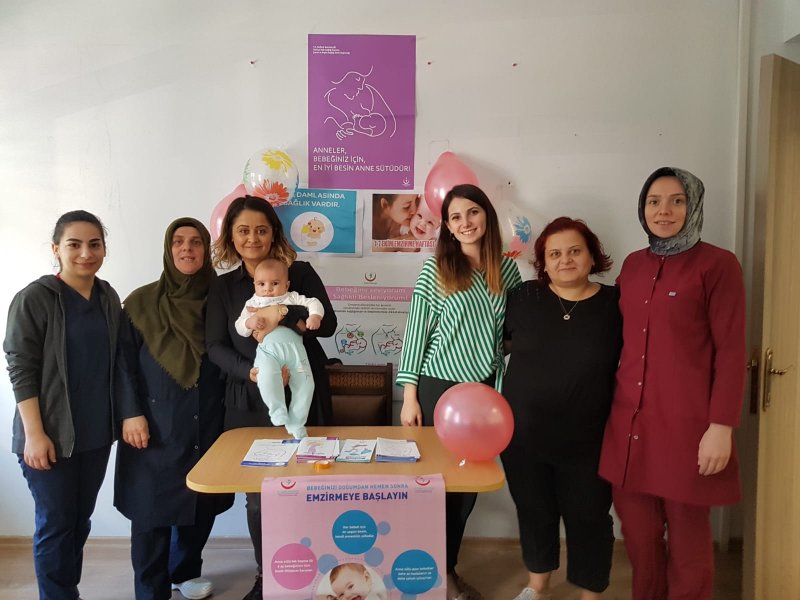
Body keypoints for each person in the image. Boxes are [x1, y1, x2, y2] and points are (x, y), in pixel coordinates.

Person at [599, 167, 746, 599]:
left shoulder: (718, 265)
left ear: (693, 205)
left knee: (688, 545)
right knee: (640, 539)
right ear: (642, 208)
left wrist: (721, 427)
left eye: (677, 200)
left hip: (689, 430)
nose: (664, 210)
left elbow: (732, 351)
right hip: (630, 428)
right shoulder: (633, 265)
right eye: (654, 201)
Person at [206, 195, 337, 600]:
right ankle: (268, 577)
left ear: (274, 233)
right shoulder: (222, 286)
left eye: (261, 230)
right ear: (231, 236)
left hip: (303, 392)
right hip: (250, 401)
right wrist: (252, 371)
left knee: (311, 484)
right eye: (243, 230)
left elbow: (328, 324)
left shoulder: (300, 273)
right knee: (259, 497)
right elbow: (215, 345)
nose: (252, 238)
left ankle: (318, 574)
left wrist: (282, 314)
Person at [397, 183, 522, 600]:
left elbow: (511, 334)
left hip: (485, 397)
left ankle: (445, 570)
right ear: (447, 227)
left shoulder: (507, 271)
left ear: (486, 216)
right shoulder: (436, 270)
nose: (465, 222)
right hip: (438, 391)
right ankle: (432, 576)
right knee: (433, 489)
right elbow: (416, 335)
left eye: (472, 212)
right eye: (455, 217)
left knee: (466, 494)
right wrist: (410, 397)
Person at [4, 210, 122, 600]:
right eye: (74, 244)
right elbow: (21, 368)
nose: (86, 253)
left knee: (78, 521)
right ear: (56, 249)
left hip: (95, 435)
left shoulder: (107, 297)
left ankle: (66, 591)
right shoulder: (34, 298)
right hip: (48, 436)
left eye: (94, 244)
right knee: (56, 524)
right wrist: (34, 435)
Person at [502, 217, 621, 600]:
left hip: (591, 438)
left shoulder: (615, 304)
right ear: (543, 262)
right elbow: (494, 345)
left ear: (592, 256)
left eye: (574, 251)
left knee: (589, 516)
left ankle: (590, 592)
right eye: (554, 254)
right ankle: (538, 585)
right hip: (525, 436)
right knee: (534, 510)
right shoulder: (524, 297)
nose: (564, 260)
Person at [114, 218, 231, 600]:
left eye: (195, 242)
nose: (187, 249)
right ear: (168, 249)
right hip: (152, 423)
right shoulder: (140, 303)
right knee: (150, 511)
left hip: (209, 419)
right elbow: (123, 365)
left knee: (200, 504)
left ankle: (184, 571)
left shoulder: (222, 299)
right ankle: (151, 589)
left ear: (206, 250)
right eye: (178, 241)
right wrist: (130, 413)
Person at [234, 257, 325, 439]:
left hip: (296, 352)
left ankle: (296, 423)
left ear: (286, 284)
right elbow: (239, 327)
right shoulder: (252, 304)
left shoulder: (292, 297)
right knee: (266, 377)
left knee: (306, 386)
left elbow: (314, 302)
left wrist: (315, 316)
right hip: (268, 352)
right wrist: (250, 322)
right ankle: (277, 410)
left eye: (274, 283)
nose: (268, 289)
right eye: (261, 284)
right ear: (254, 285)